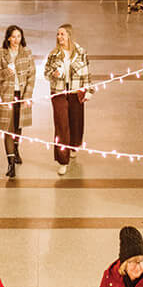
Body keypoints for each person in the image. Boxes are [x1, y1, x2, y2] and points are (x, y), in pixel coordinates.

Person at [44, 23, 93, 176]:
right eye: (58, 34)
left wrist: (89, 90)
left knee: (76, 122)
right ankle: (62, 160)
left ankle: (74, 145)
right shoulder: (53, 54)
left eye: (62, 34)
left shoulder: (80, 52)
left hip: (75, 92)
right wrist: (53, 73)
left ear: (69, 36)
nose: (59, 37)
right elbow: (46, 73)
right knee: (61, 125)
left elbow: (86, 73)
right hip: (58, 92)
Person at [0, 25, 35, 178]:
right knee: (8, 129)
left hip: (21, 96)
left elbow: (32, 76)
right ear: (8, 38)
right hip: (6, 96)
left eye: (19, 36)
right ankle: (10, 164)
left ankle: (16, 149)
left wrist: (27, 95)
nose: (17, 39)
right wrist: (5, 72)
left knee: (18, 125)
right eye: (14, 36)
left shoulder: (27, 53)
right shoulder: (1, 53)